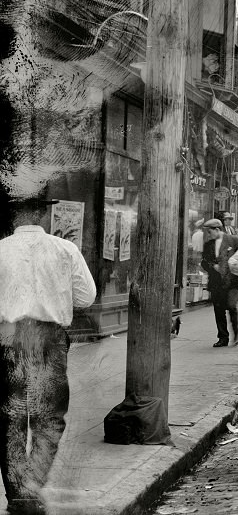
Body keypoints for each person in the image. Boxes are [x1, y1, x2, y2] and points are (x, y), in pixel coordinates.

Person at [0, 194, 97, 515]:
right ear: (42, 216)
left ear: (14, 217)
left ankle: (18, 494)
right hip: (49, 338)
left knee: (10, 418)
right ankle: (30, 488)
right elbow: (86, 297)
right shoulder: (64, 249)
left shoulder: (0, 250)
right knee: (48, 418)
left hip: (8, 337)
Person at [201, 218, 238, 346]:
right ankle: (223, 338)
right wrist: (212, 267)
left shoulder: (233, 240)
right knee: (219, 311)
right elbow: (204, 262)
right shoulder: (208, 245)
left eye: (210, 232)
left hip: (232, 281)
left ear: (217, 229)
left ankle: (236, 334)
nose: (209, 235)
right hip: (216, 282)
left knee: (232, 307)